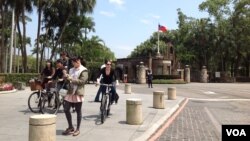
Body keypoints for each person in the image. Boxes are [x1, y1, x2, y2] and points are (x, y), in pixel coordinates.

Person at [62, 56, 88, 136]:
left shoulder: (84, 70)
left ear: (78, 61)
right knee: (66, 109)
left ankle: (78, 129)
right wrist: (65, 77)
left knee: (78, 111)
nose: (73, 64)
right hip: (70, 92)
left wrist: (71, 79)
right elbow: (68, 80)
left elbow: (82, 81)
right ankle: (70, 127)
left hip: (77, 92)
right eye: (72, 62)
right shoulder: (71, 69)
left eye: (74, 62)